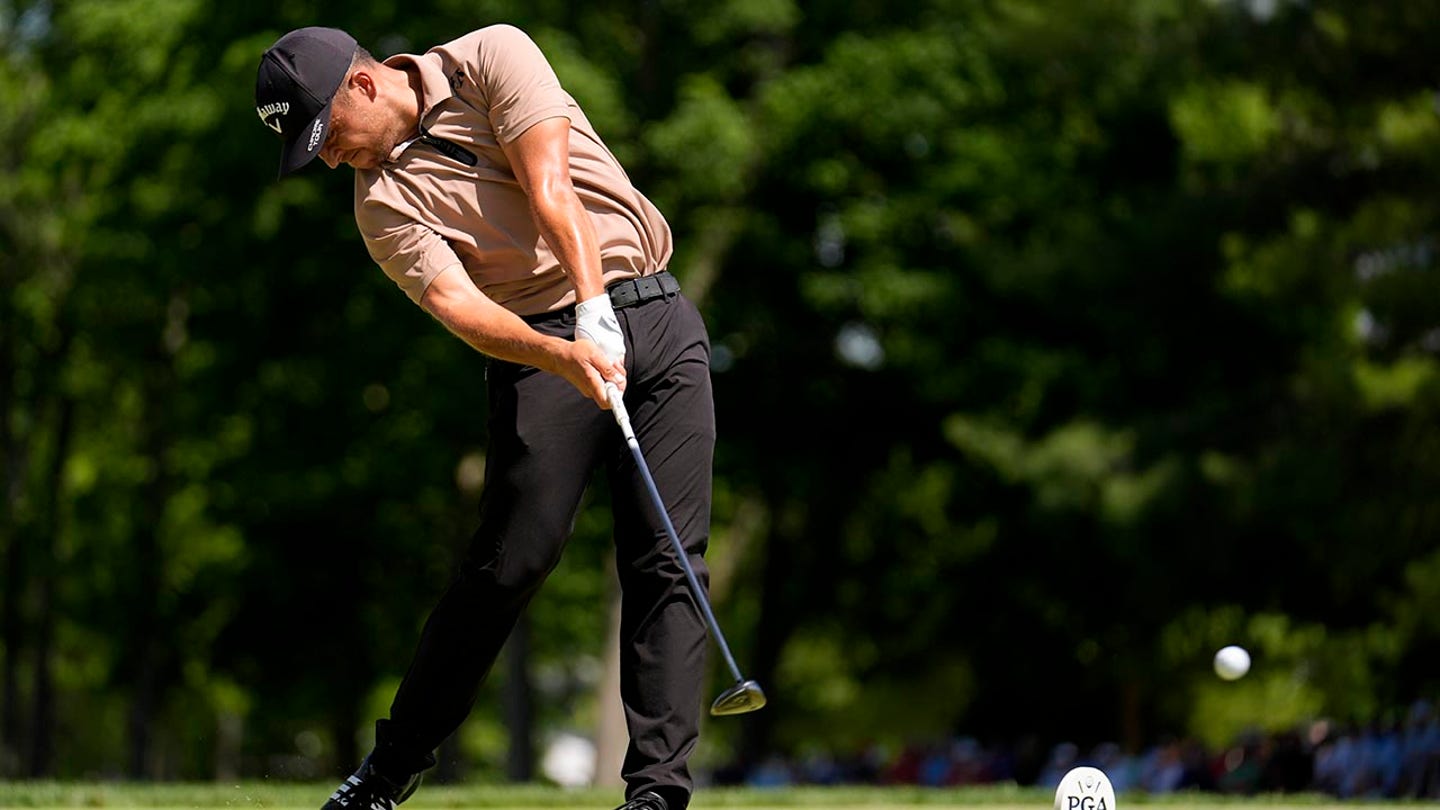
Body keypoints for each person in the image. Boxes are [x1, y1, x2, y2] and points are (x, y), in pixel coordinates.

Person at [253, 23, 716, 810]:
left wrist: (596, 305)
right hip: (542, 347)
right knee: (511, 563)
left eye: (327, 135)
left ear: (363, 84)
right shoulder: (379, 207)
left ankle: (657, 795)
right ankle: (389, 769)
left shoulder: (490, 57)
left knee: (668, 557)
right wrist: (562, 352)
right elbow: (459, 306)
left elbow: (550, 187)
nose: (329, 158)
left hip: (654, 315)